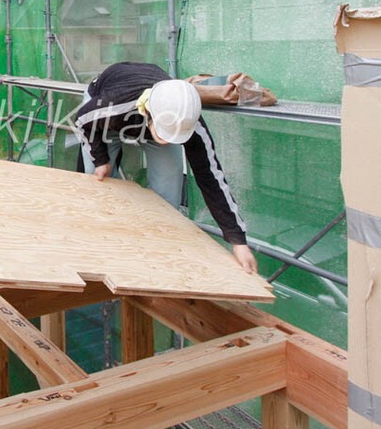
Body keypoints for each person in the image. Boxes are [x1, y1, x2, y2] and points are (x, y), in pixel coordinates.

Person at [73, 61, 258, 274]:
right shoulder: (111, 105)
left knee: (168, 194)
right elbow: (82, 121)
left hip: (150, 117)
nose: (167, 139)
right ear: (150, 115)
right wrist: (101, 160)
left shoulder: (189, 122)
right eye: (165, 133)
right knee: (99, 182)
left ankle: (159, 257)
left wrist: (238, 241)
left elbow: (211, 178)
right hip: (107, 120)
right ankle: (105, 244)